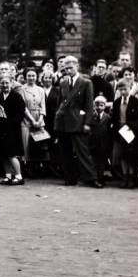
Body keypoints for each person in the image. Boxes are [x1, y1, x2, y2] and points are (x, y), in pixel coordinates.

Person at [55, 56, 101, 188]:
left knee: (82, 151)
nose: (68, 70)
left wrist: (87, 123)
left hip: (77, 122)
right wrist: (57, 119)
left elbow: (89, 106)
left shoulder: (86, 83)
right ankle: (70, 177)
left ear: (77, 67)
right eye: (66, 68)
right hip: (63, 121)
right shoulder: (63, 82)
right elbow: (60, 103)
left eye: (71, 68)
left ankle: (91, 178)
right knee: (65, 151)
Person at [111, 79, 138, 189]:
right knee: (122, 155)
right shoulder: (116, 102)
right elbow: (115, 118)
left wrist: (131, 127)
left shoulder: (136, 102)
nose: (123, 92)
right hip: (120, 132)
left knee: (131, 155)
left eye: (125, 89)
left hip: (132, 132)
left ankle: (132, 178)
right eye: (120, 90)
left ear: (130, 88)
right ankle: (125, 177)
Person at [0, 76, 26, 185]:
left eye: (7, 83)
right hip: (1, 128)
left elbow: (21, 113)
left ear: (11, 84)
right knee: (4, 154)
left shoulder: (16, 96)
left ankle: (18, 176)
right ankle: (8, 176)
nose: (4, 85)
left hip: (12, 128)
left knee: (12, 153)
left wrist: (12, 121)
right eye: (2, 83)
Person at [18, 67, 47, 169]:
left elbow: (43, 106)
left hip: (39, 118)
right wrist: (32, 120)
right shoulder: (21, 89)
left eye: (33, 75)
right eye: (29, 76)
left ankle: (36, 166)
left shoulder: (41, 90)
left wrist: (40, 120)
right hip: (26, 118)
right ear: (25, 77)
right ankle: (25, 167)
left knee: (39, 142)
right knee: (25, 143)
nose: (31, 78)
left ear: (36, 77)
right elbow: (23, 106)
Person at [89, 96, 112, 186]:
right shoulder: (91, 116)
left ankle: (101, 177)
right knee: (94, 160)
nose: (99, 107)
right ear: (94, 106)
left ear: (105, 106)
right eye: (97, 105)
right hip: (93, 142)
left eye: (101, 105)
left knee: (102, 161)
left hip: (103, 142)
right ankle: (94, 178)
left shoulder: (108, 117)